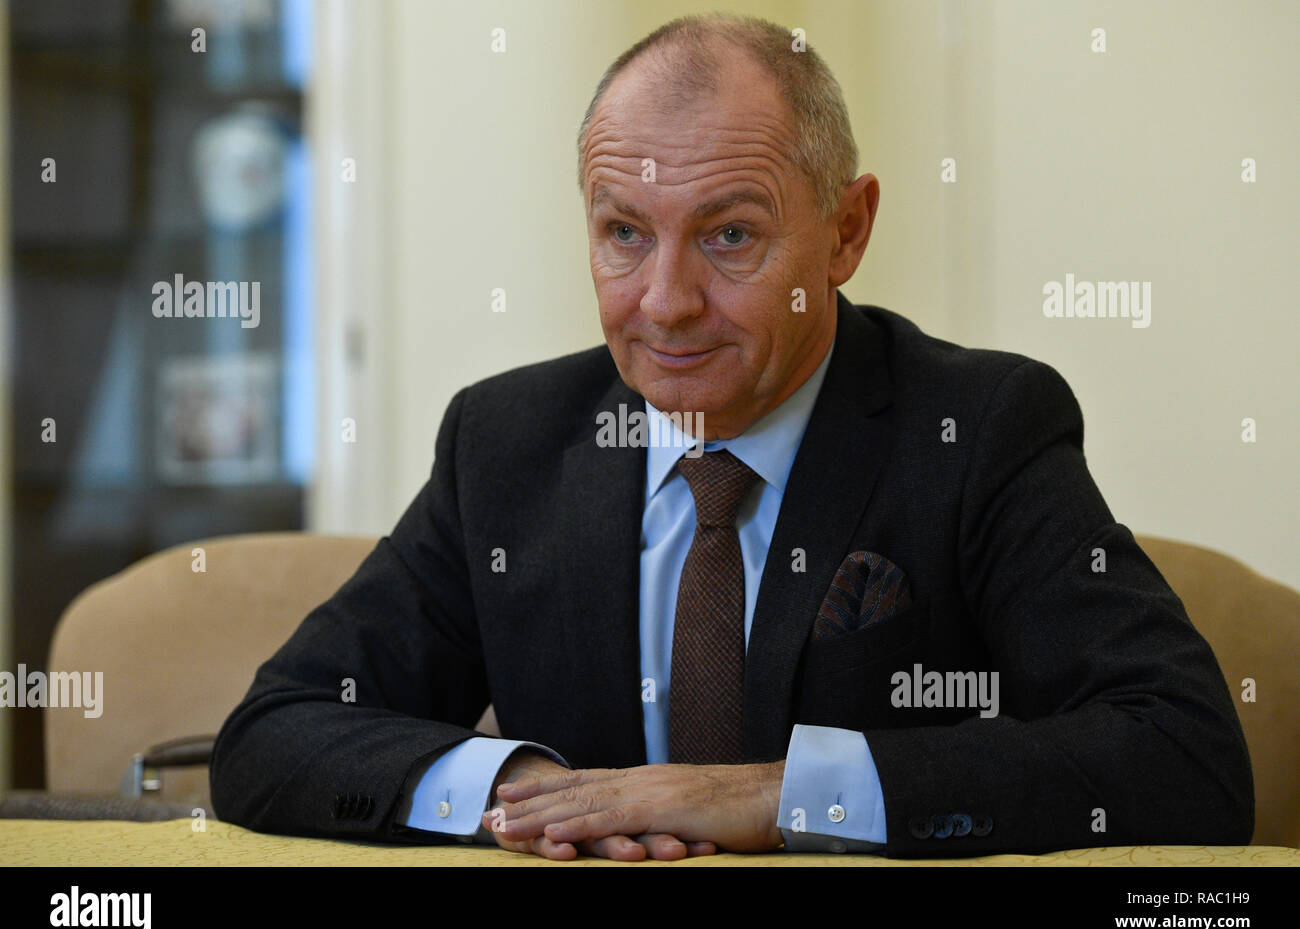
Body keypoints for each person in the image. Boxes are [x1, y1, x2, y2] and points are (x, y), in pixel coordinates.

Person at [210, 13, 1253, 861]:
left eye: (730, 236)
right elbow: (276, 731)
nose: (664, 303)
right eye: (623, 231)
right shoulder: (508, 441)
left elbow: (1184, 756)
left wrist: (781, 797)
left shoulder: (976, 431)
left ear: (845, 231)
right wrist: (531, 794)